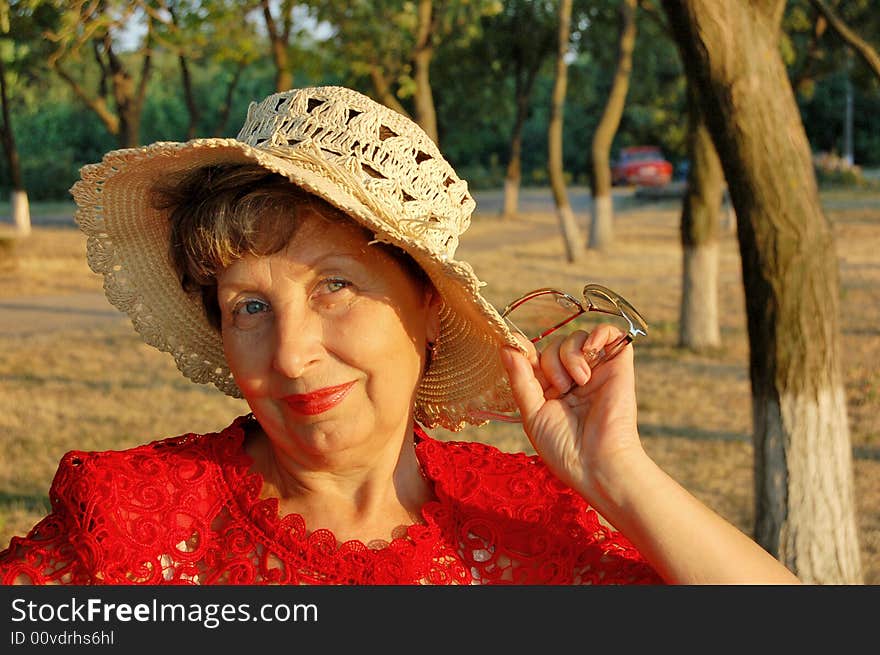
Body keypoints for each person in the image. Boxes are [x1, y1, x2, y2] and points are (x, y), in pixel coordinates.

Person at [0, 86, 798, 585]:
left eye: (334, 285)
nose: (288, 353)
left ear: (428, 307)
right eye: (248, 305)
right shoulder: (134, 525)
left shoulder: (535, 527)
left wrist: (618, 475)